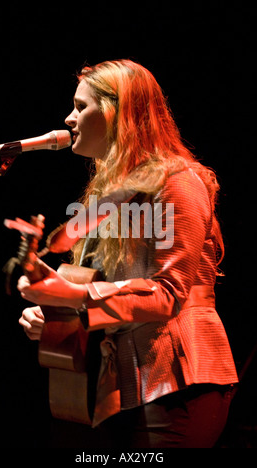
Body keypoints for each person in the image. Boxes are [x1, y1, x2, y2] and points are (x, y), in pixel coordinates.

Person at [17, 59, 238, 448]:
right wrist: (55, 314)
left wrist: (75, 300)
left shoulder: (179, 181)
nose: (69, 118)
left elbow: (169, 292)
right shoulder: (110, 201)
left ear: (119, 112)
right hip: (120, 390)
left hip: (180, 382)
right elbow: (98, 292)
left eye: (81, 107)